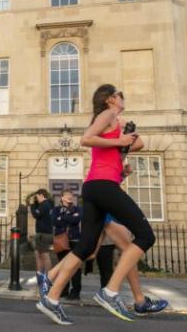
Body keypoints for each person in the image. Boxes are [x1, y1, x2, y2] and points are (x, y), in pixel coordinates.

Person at [37, 84, 154, 325]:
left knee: (86, 246)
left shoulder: (116, 121)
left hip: (96, 186)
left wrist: (124, 147)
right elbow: (86, 139)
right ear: (111, 98)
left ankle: (52, 297)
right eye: (120, 94)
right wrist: (120, 140)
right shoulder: (108, 114)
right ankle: (110, 292)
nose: (123, 97)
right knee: (145, 235)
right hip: (102, 186)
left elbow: (139, 144)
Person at [52, 189, 82, 300]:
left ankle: (75, 292)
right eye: (67, 195)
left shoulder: (77, 208)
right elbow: (55, 222)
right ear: (62, 198)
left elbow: (77, 219)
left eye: (71, 195)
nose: (70, 196)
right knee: (62, 266)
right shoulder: (56, 210)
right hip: (61, 241)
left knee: (75, 267)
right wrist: (70, 217)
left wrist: (63, 217)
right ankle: (64, 290)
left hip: (74, 240)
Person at [30, 189, 54, 284]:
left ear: (41, 195)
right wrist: (35, 204)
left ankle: (48, 279)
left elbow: (36, 214)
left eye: (37, 196)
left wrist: (32, 206)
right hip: (44, 233)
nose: (37, 199)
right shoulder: (48, 204)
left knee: (45, 256)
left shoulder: (45, 204)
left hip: (43, 234)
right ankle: (41, 277)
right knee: (38, 255)